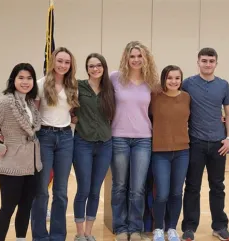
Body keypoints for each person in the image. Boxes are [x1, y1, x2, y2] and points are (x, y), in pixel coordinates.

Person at [181, 48, 229, 241]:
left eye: (211, 61)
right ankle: (189, 227)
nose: (208, 64)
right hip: (195, 142)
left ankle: (220, 226)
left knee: (217, 186)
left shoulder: (223, 85)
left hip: (219, 144)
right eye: (204, 61)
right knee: (192, 186)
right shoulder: (188, 84)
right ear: (198, 62)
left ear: (216, 63)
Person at [0, 63, 42, 241]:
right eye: (21, 77)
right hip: (11, 164)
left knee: (25, 207)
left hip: (32, 164)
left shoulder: (30, 103)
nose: (25, 82)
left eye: (29, 78)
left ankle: (20, 238)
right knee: (8, 207)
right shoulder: (5, 102)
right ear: (13, 80)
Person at [110, 41, 159, 241]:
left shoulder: (152, 82)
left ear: (145, 58)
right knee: (120, 185)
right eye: (132, 56)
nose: (136, 60)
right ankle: (120, 227)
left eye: (140, 56)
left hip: (143, 140)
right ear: (126, 58)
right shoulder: (114, 78)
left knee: (137, 187)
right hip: (119, 137)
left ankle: (135, 229)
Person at [31, 47, 79, 241]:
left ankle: (58, 235)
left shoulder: (73, 86)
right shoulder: (40, 84)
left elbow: (73, 111)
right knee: (41, 190)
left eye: (67, 62)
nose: (63, 65)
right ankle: (40, 236)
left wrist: (74, 119)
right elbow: (33, 114)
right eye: (60, 61)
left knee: (61, 191)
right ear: (53, 62)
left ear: (71, 65)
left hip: (66, 138)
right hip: (44, 136)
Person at [71, 53, 115, 241]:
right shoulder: (78, 87)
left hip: (105, 144)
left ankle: (89, 232)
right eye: (91, 66)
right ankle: (79, 233)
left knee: (95, 190)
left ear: (104, 67)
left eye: (98, 65)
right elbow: (67, 108)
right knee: (84, 189)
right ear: (86, 68)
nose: (95, 69)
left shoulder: (109, 89)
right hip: (83, 143)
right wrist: (72, 117)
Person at [150, 65, 190, 241]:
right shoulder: (155, 97)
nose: (173, 81)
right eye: (169, 78)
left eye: (177, 78)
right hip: (160, 152)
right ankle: (158, 228)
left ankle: (172, 228)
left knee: (176, 192)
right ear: (163, 79)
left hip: (182, 152)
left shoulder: (187, 98)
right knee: (162, 193)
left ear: (181, 80)